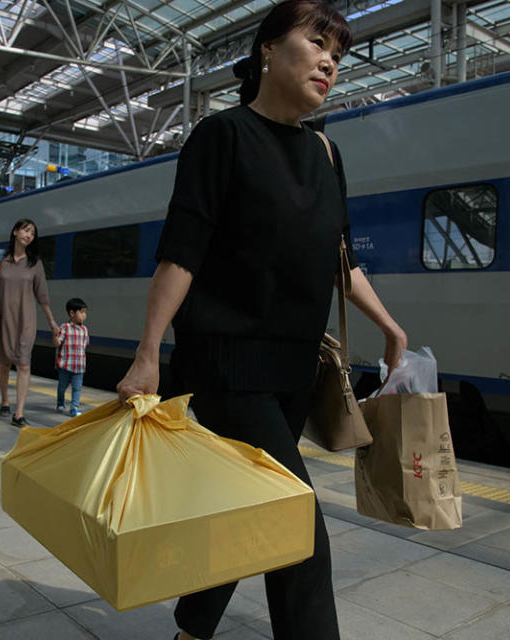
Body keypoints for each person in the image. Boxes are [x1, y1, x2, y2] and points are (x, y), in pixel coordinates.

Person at [115, 2, 408, 639]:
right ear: (269, 49)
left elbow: (340, 259)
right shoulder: (221, 137)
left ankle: (192, 628)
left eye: (340, 53)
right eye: (317, 42)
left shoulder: (328, 154)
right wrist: (146, 354)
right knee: (293, 516)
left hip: (292, 369)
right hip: (225, 362)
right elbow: (182, 253)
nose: (331, 61)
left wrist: (390, 327)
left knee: (242, 503)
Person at [0, 219, 59, 427]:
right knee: (4, 362)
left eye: (32, 233)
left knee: (24, 363)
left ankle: (19, 413)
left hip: (26, 320)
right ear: (15, 232)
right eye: (26, 230)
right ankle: (4, 400)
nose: (29, 235)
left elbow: (42, 297)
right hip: (2, 318)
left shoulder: (34, 263)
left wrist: (52, 322)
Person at [54, 297, 89, 417]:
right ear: (72, 313)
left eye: (85, 313)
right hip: (66, 364)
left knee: (77, 388)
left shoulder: (84, 330)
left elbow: (84, 345)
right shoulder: (64, 327)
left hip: (79, 365)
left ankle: (74, 408)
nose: (84, 315)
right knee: (62, 387)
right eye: (82, 312)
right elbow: (58, 342)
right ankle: (60, 402)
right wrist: (55, 338)